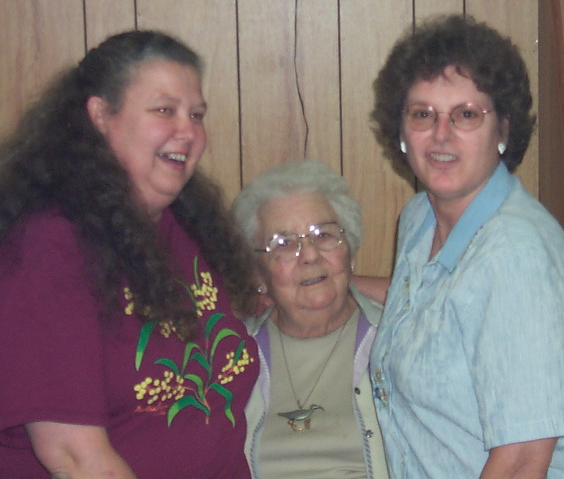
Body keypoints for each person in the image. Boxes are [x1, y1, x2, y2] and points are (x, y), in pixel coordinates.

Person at [0, 30, 260, 478]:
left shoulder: (189, 228)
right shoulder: (48, 249)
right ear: (100, 115)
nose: (188, 131)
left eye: (197, 114)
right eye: (164, 110)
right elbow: (76, 459)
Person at [368, 14, 564, 478]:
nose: (441, 135)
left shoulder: (515, 257)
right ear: (401, 129)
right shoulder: (420, 217)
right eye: (422, 114)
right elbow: (431, 304)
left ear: (504, 131)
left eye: (466, 115)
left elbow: (520, 464)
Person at [232, 159, 389, 479]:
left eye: (323, 234)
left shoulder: (396, 338)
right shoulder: (232, 352)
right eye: (284, 243)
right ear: (258, 273)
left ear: (350, 251)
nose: (310, 255)